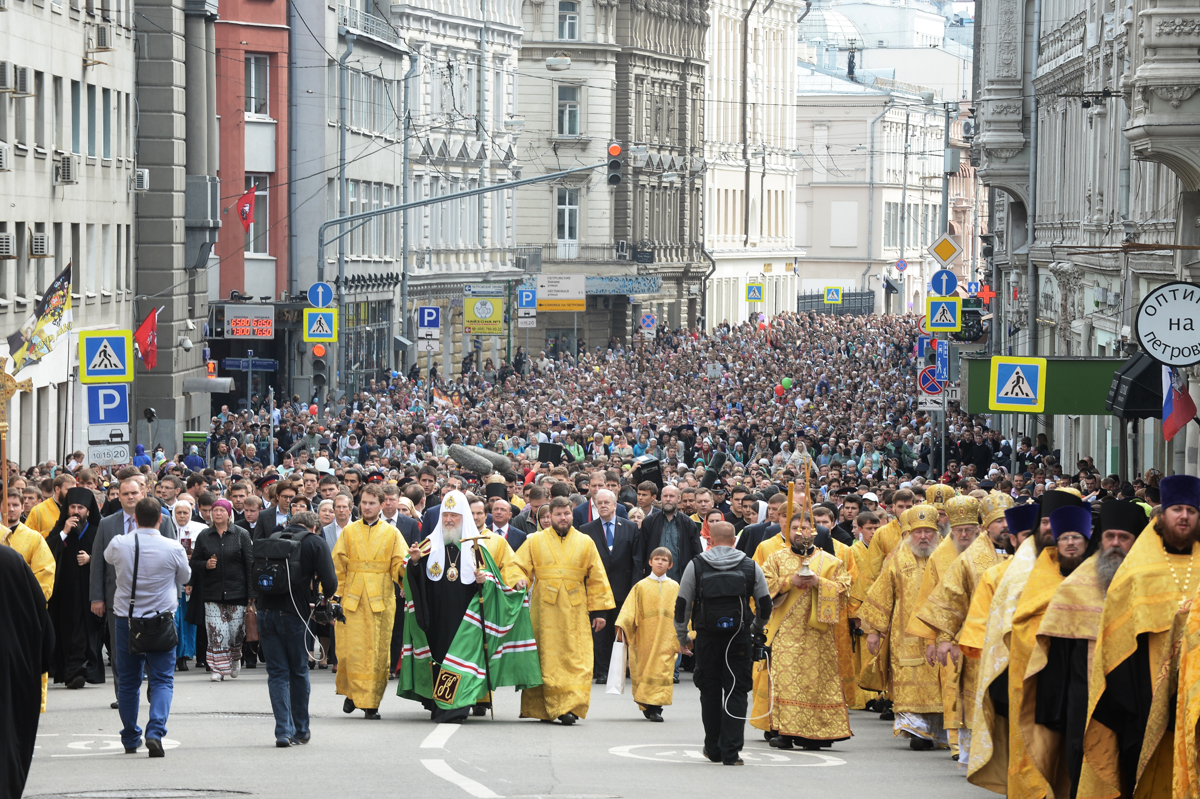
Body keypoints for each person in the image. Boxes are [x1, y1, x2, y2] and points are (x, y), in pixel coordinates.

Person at [1080, 475, 1200, 798]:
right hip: (1147, 697)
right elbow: (1116, 643)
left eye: (1191, 510)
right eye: (1176, 509)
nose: (1184, 516)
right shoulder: (1137, 570)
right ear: (1162, 516)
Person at [1023, 499, 1146, 797]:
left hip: (1139, 691)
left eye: (1124, 537)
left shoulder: (1150, 579)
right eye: (1109, 536)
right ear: (1100, 540)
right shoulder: (1077, 584)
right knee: (1083, 754)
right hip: (1086, 693)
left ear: (1136, 541)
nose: (1115, 544)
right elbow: (1057, 654)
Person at [909, 492, 1013, 765]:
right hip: (978, 640)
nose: (1004, 526)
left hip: (1017, 639)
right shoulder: (969, 559)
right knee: (978, 696)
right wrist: (944, 638)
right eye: (998, 521)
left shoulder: (1028, 551)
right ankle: (975, 753)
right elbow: (951, 598)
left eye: (1007, 520)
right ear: (987, 525)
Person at [674, 521, 770, 765]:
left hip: (707, 638)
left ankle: (712, 748)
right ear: (734, 541)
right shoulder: (750, 565)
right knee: (737, 691)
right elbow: (764, 604)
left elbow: (682, 604)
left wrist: (683, 637)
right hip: (739, 637)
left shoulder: (696, 565)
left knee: (710, 691)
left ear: (711, 540)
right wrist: (756, 628)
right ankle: (731, 752)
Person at [513, 496, 614, 724]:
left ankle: (569, 706)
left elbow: (597, 576)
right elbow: (517, 566)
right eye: (558, 514)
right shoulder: (535, 540)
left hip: (575, 609)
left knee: (576, 656)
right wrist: (520, 580)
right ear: (549, 517)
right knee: (545, 657)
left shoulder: (585, 542)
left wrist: (599, 612)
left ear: (572, 515)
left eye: (566, 513)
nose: (563, 518)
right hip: (544, 610)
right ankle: (545, 708)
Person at [104, 497, 191, 758]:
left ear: (135, 518)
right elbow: (185, 577)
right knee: (162, 679)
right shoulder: (173, 547)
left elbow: (108, 559)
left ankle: (130, 736)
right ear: (161, 519)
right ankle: (155, 730)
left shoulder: (119, 543)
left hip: (126, 619)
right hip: (161, 619)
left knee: (128, 681)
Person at [859, 505, 947, 750]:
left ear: (936, 533)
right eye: (918, 532)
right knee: (908, 681)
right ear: (910, 534)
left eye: (928, 532)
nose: (923, 537)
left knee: (940, 683)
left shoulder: (947, 557)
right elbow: (882, 593)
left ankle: (937, 731)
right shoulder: (898, 558)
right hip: (904, 635)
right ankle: (916, 729)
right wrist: (874, 631)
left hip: (940, 635)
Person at [761, 511, 852, 750]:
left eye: (806, 529)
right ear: (787, 531)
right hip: (785, 632)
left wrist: (819, 583)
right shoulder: (775, 559)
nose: (800, 533)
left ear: (814, 532)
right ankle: (785, 732)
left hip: (818, 634)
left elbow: (845, 589)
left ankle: (813, 734)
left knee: (815, 684)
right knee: (785, 681)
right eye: (795, 529)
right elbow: (763, 587)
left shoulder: (830, 561)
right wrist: (789, 582)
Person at [255, 510, 337, 747]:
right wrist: (320, 596)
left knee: (277, 673)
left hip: (265, 612)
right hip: (296, 614)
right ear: (314, 528)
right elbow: (330, 583)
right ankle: (300, 730)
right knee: (299, 672)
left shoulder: (272, 539)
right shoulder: (315, 542)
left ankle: (283, 731)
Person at [332, 483, 408, 719]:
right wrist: (334, 596)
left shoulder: (392, 533)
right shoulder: (349, 531)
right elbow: (338, 567)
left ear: (382, 505)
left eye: (372, 503)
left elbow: (399, 564)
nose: (367, 507)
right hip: (352, 599)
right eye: (364, 502)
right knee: (349, 650)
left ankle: (371, 703)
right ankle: (352, 693)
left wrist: (409, 568)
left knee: (376, 652)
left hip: (380, 600)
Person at [0, 544, 55, 798]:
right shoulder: (11, 560)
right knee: (10, 735)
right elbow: (40, 615)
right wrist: (39, 663)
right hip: (13, 663)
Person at [189, 498, 254, 682]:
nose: (218, 513)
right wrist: (205, 564)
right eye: (215, 510)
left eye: (221, 510)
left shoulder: (241, 534)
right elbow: (194, 561)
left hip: (237, 593)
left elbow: (250, 565)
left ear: (229, 514)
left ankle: (235, 658)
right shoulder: (204, 535)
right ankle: (217, 668)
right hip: (212, 593)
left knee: (235, 633)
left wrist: (252, 595)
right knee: (216, 633)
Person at [46, 486, 105, 689]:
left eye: (80, 507)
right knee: (66, 630)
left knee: (85, 631)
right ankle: (71, 671)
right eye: (72, 507)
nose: (76, 511)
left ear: (88, 510)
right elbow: (47, 553)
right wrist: (64, 533)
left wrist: (91, 558)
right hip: (65, 592)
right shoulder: (60, 530)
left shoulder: (97, 531)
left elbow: (109, 557)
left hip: (88, 591)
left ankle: (79, 670)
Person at [580, 489, 638, 683]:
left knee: (621, 631)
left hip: (623, 589)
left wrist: (634, 589)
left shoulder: (630, 527)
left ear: (615, 505)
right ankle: (602, 671)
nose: (603, 505)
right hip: (597, 591)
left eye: (607, 502)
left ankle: (620, 669)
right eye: (600, 503)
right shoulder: (586, 529)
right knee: (600, 632)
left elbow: (636, 561)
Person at [615, 546, 680, 722]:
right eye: (657, 559)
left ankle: (656, 708)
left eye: (664, 560)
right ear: (650, 562)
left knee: (662, 670)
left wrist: (685, 635)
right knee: (644, 669)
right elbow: (629, 610)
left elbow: (682, 613)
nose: (660, 562)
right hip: (644, 637)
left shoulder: (675, 587)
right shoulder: (640, 586)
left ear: (670, 565)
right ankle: (646, 704)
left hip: (667, 637)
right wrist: (622, 626)